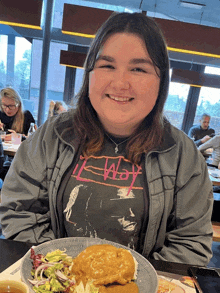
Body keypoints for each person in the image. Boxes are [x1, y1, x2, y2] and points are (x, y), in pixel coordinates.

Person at [0, 12, 213, 266]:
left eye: (138, 68)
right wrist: (63, 272)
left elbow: (191, 244)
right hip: (57, 287)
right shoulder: (53, 135)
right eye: (107, 65)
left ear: (161, 82)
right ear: (90, 73)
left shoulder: (182, 154)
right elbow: (18, 211)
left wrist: (135, 284)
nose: (121, 82)